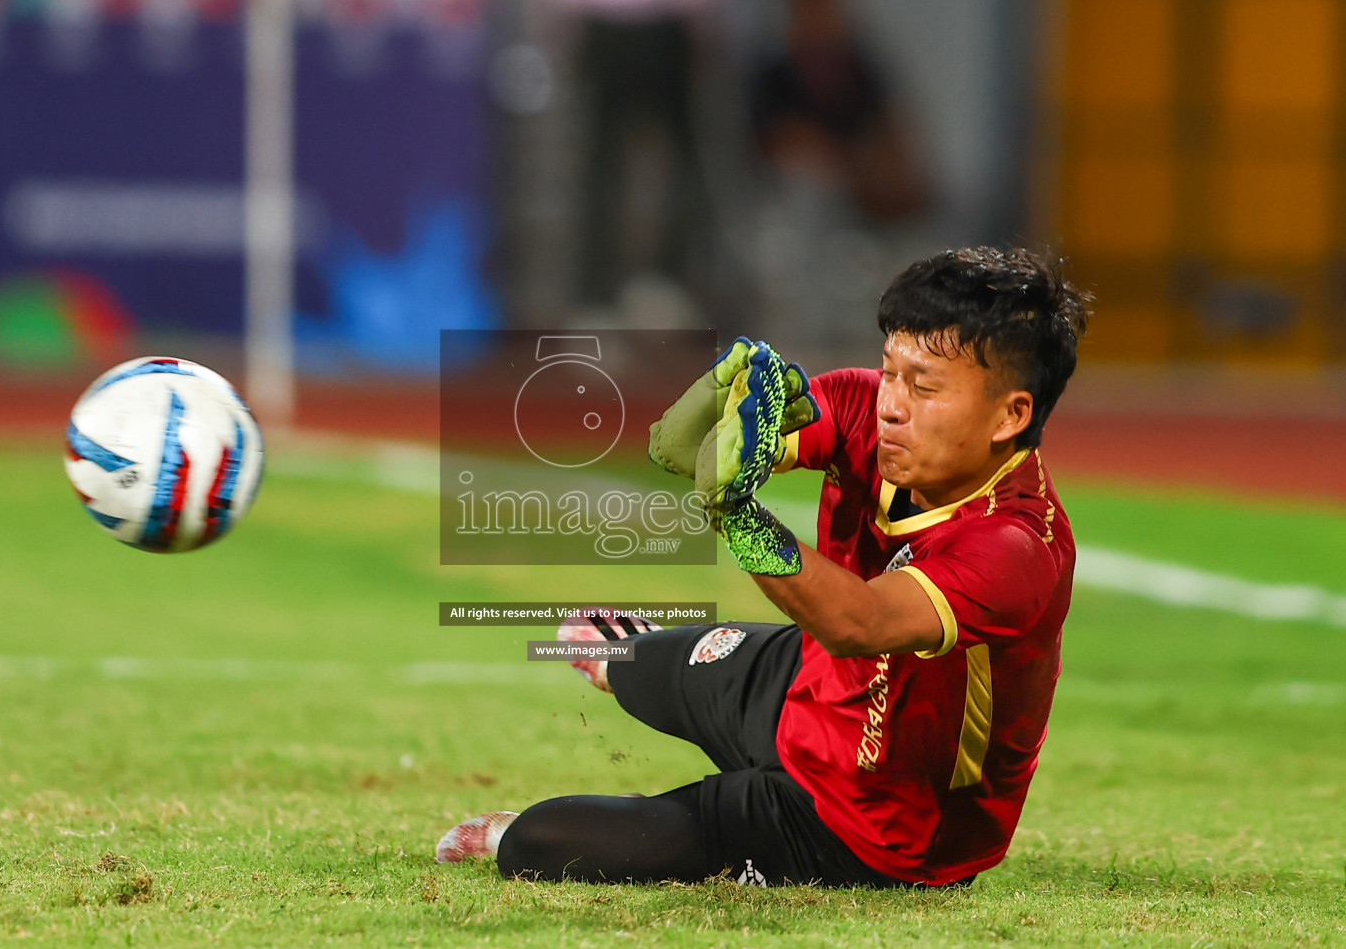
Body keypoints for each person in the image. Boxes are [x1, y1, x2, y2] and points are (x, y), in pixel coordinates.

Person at [437, 246, 1088, 888]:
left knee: (541, 841)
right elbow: (759, 441)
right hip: (810, 683)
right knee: (638, 662)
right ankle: (629, 660)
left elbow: (860, 622)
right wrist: (714, 427)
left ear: (1012, 414)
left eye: (924, 386)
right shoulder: (872, 410)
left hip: (873, 826)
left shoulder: (1016, 546)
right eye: (890, 369)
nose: (892, 403)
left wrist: (739, 517)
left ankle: (543, 818)